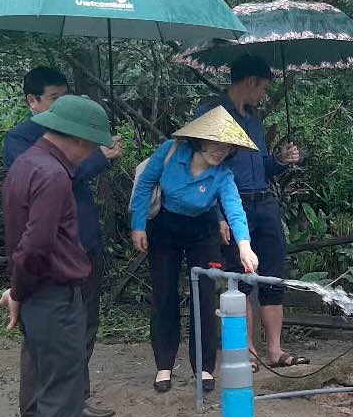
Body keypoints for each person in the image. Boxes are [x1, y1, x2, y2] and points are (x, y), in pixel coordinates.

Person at [0, 95, 115, 417]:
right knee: (61, 400)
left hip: (44, 295)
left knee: (60, 395)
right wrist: (20, 292)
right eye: (90, 145)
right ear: (79, 139)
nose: (90, 153)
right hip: (52, 296)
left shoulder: (27, 163)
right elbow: (35, 247)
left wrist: (20, 291)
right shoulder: (51, 176)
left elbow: (24, 243)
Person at [3, 67, 122, 417]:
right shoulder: (22, 142)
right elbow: (52, 185)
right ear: (33, 102)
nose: (62, 105)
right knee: (41, 338)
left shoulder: (67, 144)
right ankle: (35, 413)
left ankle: (75, 397)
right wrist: (99, 158)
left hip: (83, 244)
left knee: (83, 326)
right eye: (54, 98)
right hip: (47, 262)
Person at [130, 106, 260, 393]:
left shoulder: (223, 175)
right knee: (164, 294)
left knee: (203, 297)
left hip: (203, 232)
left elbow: (235, 209)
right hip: (165, 227)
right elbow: (146, 183)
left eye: (226, 146)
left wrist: (244, 245)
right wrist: (138, 225)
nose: (220, 150)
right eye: (215, 143)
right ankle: (164, 365)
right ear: (199, 140)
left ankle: (204, 367)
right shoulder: (171, 151)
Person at [194, 56, 305, 368]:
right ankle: (248, 352)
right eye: (264, 88)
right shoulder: (211, 114)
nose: (264, 95)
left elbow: (262, 168)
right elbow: (202, 169)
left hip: (264, 201)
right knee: (239, 280)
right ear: (250, 82)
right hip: (233, 204)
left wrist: (281, 160)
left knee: (273, 276)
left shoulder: (254, 118)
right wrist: (216, 215)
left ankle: (275, 350)